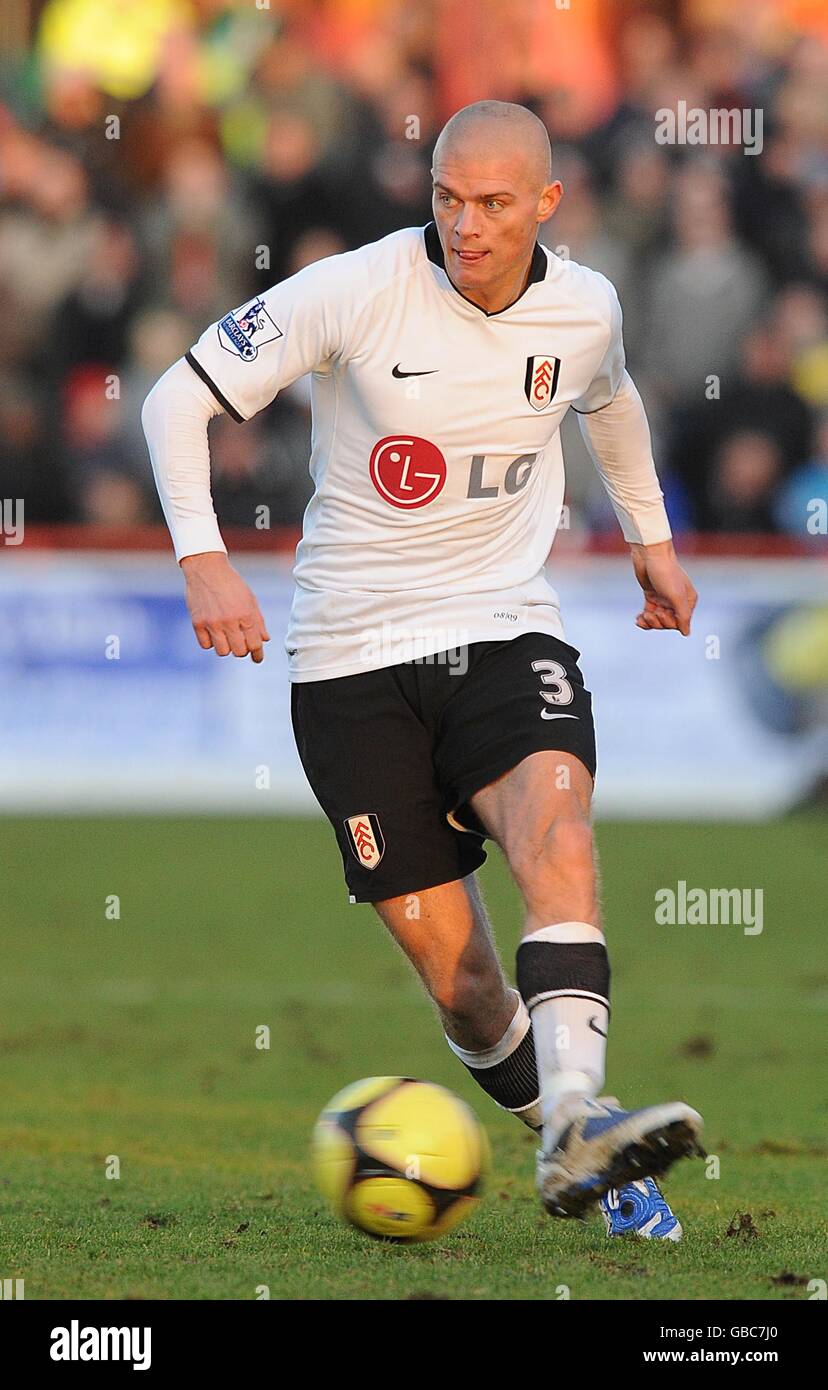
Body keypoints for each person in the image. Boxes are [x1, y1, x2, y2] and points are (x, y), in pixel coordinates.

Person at [142, 100, 703, 1237]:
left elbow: (613, 398)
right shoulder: (356, 287)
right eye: (447, 197)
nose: (465, 223)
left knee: (558, 832)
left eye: (494, 203)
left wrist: (651, 537)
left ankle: (583, 1119)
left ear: (547, 203)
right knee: (465, 986)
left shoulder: (586, 307)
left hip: (503, 629)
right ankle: (568, 1134)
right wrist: (205, 562)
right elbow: (174, 400)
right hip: (349, 661)